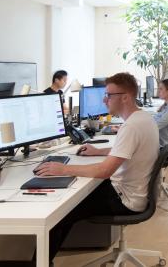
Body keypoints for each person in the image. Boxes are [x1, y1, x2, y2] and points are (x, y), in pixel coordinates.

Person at [34, 72, 159, 263]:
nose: (104, 99)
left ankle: (39, 263)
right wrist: (97, 152)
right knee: (72, 193)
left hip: (125, 199)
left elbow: (104, 171)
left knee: (59, 212)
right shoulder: (142, 118)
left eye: (109, 95)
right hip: (133, 191)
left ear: (125, 97)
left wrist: (63, 169)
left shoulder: (131, 127)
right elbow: (127, 149)